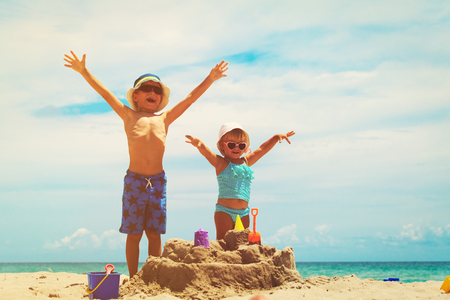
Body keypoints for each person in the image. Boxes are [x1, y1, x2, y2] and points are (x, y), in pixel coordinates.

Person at [63, 51, 228, 277]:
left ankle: (153, 275)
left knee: (154, 233)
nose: (152, 92)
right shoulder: (128, 115)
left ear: (160, 98)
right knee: (134, 234)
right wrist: (84, 71)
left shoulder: (164, 118)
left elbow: (190, 98)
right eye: (147, 89)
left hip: (158, 183)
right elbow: (104, 93)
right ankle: (132, 277)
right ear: (136, 96)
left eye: (157, 90)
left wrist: (210, 79)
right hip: (135, 182)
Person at [185, 122, 295, 240]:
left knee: (242, 244)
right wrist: (200, 145)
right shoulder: (221, 163)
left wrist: (275, 138)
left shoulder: (246, 162)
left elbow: (262, 149)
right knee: (224, 243)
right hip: (224, 211)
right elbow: (209, 155)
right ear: (222, 146)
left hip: (244, 212)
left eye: (241, 145)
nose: (237, 148)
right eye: (231, 145)